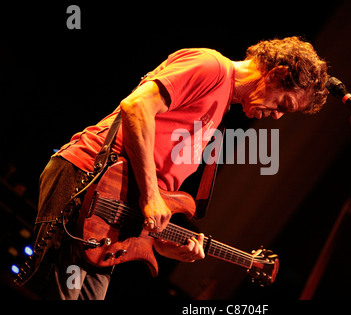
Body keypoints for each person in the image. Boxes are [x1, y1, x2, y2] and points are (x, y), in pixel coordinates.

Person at [19, 36, 329, 299]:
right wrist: (153, 196)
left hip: (111, 213)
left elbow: (154, 187)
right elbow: (136, 105)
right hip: (88, 179)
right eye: (285, 105)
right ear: (277, 73)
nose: (277, 117)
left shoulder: (219, 111)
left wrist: (160, 240)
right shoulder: (211, 67)